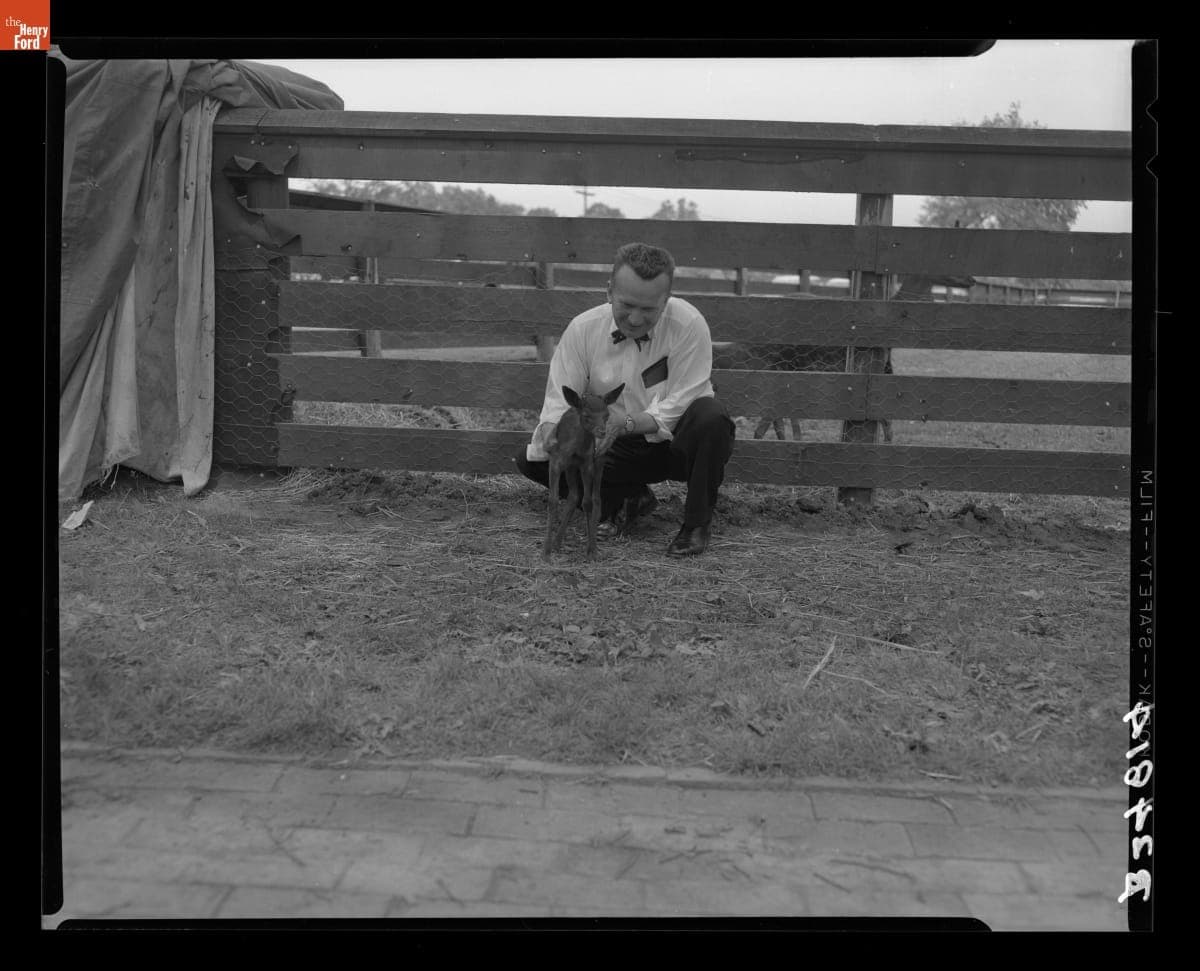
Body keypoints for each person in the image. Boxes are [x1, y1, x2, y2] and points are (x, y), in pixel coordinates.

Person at [515, 242, 735, 557]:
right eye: (626, 305)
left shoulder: (689, 324)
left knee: (712, 418)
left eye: (648, 310)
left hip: (674, 444)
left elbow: (681, 403)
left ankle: (696, 525)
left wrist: (627, 423)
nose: (634, 319)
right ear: (609, 293)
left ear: (666, 300)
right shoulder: (583, 329)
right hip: (611, 445)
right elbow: (561, 399)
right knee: (533, 460)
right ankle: (629, 496)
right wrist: (551, 429)